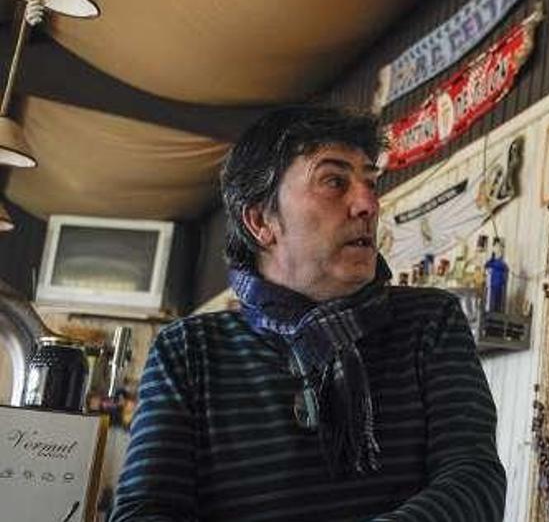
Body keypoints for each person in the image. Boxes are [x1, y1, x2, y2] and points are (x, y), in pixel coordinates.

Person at [111, 105, 506, 521]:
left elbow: (474, 481)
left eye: (371, 183)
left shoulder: (430, 322)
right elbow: (145, 512)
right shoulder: (188, 351)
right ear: (261, 220)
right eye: (334, 181)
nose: (368, 204)